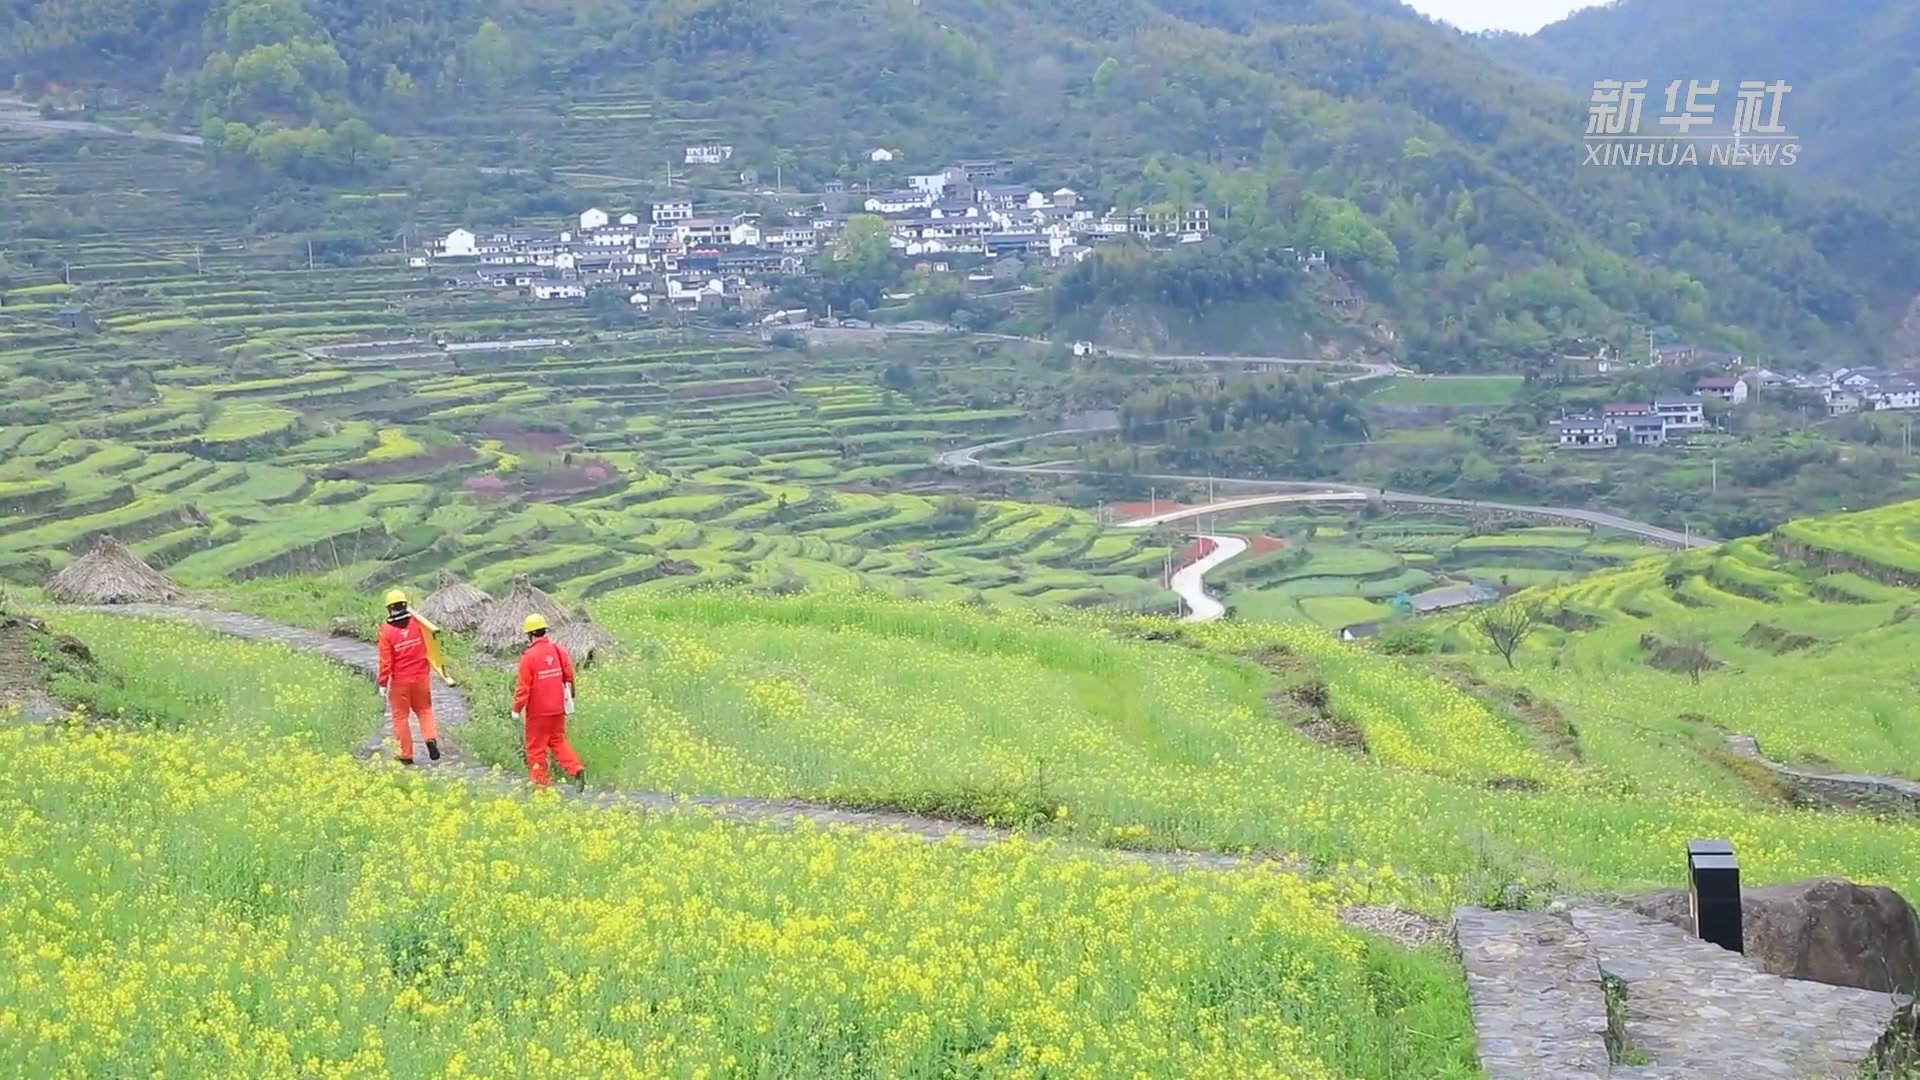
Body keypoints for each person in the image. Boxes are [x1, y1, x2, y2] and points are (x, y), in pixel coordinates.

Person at [513, 613, 584, 790]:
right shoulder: (559, 651)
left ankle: (541, 784)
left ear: (530, 634)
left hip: (538, 713)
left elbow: (523, 688)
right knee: (558, 741)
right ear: (545, 631)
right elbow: (569, 677)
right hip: (558, 708)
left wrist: (516, 709)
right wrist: (570, 697)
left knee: (535, 749)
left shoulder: (528, 657)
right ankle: (576, 769)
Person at [376, 588, 443, 765]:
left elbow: (385, 662)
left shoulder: (386, 632)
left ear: (389, 609)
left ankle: (406, 755)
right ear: (405, 605)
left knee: (400, 717)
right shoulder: (418, 624)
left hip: (400, 682)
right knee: (424, 710)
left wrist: (382, 683)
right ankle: (430, 739)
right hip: (421, 677)